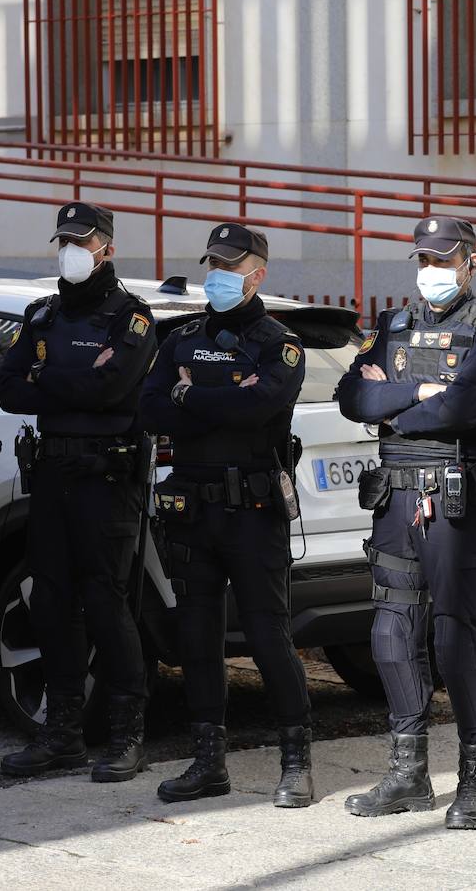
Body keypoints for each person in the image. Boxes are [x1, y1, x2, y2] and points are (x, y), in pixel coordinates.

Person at [336, 215, 476, 831]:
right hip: (394, 498)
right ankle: (408, 774)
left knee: (452, 635)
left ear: (472, 262)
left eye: (443, 259)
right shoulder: (391, 325)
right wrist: (420, 395)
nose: (430, 271)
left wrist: (396, 398)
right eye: (423, 259)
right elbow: (352, 399)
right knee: (391, 631)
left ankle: (475, 780)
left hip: (454, 499)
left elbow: (468, 404)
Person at [141, 222, 315, 809]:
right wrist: (219, 395)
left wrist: (191, 396)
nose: (216, 276)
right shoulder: (181, 340)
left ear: (256, 274)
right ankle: (207, 761)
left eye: (229, 267)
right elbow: (149, 409)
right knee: (197, 636)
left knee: (268, 635)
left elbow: (260, 405)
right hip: (192, 510)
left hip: (252, 509)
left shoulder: (278, 343)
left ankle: (296, 762)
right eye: (211, 265)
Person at [0, 202, 157, 783]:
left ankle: (126, 736)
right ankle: (61, 734)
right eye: (63, 239)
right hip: (53, 477)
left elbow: (113, 391)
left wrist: (49, 382)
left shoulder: (132, 319)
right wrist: (73, 385)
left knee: (107, 604)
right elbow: (11, 389)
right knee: (51, 603)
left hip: (106, 480)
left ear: (106, 248)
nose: (71, 249)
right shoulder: (42, 317)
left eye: (81, 240)